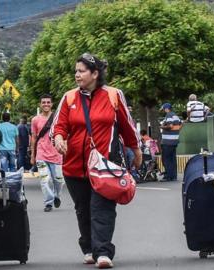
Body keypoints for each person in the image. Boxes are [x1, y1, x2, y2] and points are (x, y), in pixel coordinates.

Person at [52, 53, 141, 269]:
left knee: (101, 208)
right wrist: (59, 138)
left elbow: (127, 126)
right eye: (76, 71)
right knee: (83, 209)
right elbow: (59, 125)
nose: (77, 74)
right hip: (74, 166)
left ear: (95, 74)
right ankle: (89, 248)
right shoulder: (69, 97)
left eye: (81, 71)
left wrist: (136, 149)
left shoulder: (113, 95)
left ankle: (103, 252)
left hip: (104, 165)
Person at [30, 94, 64, 212]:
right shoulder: (35, 120)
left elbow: (64, 135)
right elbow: (34, 138)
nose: (46, 104)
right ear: (40, 104)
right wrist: (32, 155)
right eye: (43, 102)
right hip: (41, 154)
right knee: (45, 180)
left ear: (52, 104)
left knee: (58, 180)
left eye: (48, 102)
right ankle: (48, 202)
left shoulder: (58, 118)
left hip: (56, 154)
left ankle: (57, 196)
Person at [159, 103, 182, 181]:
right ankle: (173, 176)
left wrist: (161, 127)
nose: (163, 111)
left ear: (166, 108)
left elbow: (170, 126)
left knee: (166, 159)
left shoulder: (169, 115)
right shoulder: (175, 115)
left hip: (167, 142)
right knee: (172, 159)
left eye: (163, 109)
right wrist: (176, 132)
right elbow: (181, 124)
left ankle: (168, 176)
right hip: (174, 140)